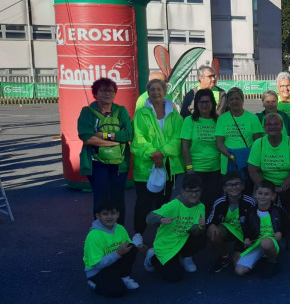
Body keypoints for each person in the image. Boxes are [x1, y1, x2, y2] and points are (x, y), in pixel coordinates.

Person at [131, 78, 184, 245]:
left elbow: (178, 138)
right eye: (152, 89)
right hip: (146, 165)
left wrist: (162, 153)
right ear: (148, 92)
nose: (156, 92)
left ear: (165, 91)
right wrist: (154, 154)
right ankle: (138, 233)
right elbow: (138, 139)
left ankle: (161, 235)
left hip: (167, 165)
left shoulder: (174, 113)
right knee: (143, 203)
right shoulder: (141, 113)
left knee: (163, 203)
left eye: (159, 89)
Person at [77, 77, 133, 224]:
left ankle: (119, 232)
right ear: (95, 93)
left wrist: (104, 135)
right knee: (100, 197)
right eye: (103, 90)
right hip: (96, 163)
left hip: (119, 164)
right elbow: (86, 137)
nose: (107, 94)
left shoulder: (121, 111)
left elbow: (128, 134)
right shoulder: (87, 112)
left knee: (118, 198)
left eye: (111, 91)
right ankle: (100, 232)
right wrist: (113, 143)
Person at [143, 174, 207, 282]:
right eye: (190, 191)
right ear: (183, 191)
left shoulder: (201, 206)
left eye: (197, 191)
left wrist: (200, 227)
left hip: (182, 240)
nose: (194, 194)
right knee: (173, 277)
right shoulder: (174, 204)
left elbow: (194, 231)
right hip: (167, 244)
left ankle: (186, 256)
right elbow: (149, 218)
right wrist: (161, 219)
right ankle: (152, 256)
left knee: (202, 238)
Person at [248, 113, 290, 234]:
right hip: (267, 183)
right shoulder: (259, 143)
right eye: (269, 124)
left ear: (282, 126)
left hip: (289, 183)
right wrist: (266, 189)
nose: (272, 127)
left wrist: (282, 188)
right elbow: (252, 170)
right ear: (264, 127)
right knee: (266, 212)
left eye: (276, 124)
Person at [83, 200, 140, 297]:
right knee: (118, 291)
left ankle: (124, 277)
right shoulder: (94, 236)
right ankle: (94, 284)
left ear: (118, 214)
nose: (109, 217)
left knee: (132, 248)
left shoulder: (120, 228)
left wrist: (138, 247)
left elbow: (128, 244)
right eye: (105, 214)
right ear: (98, 216)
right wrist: (117, 253)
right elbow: (96, 265)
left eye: (113, 213)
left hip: (112, 263)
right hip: (97, 271)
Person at [181, 88, 222, 215]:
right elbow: (185, 147)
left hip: (215, 170)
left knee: (212, 203)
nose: (204, 105)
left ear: (213, 104)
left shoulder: (219, 120)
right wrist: (189, 168)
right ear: (197, 104)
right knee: (194, 203)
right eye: (201, 102)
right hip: (195, 170)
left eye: (207, 102)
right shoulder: (189, 121)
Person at [215, 87, 263, 194]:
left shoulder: (252, 118)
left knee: (247, 193)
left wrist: (248, 157)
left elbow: (258, 143)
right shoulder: (222, 119)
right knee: (230, 194)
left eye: (237, 98)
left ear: (243, 100)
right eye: (231, 99)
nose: (234, 101)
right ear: (227, 102)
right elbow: (219, 143)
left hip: (248, 162)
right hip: (228, 162)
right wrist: (231, 156)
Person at [206, 171, 254, 273]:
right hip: (228, 230)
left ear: (243, 186)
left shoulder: (250, 202)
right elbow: (210, 220)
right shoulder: (219, 202)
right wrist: (211, 226)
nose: (234, 187)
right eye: (230, 185)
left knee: (239, 269)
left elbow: (254, 227)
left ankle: (239, 251)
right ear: (224, 188)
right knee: (213, 232)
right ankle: (224, 257)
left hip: (245, 236)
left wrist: (240, 247)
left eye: (237, 184)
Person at [235, 180, 285, 278]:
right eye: (260, 193)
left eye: (267, 194)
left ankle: (273, 262)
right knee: (239, 271)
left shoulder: (278, 211)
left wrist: (281, 233)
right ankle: (261, 256)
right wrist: (247, 239)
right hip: (257, 243)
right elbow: (247, 229)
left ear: (273, 196)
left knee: (265, 243)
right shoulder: (251, 212)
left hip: (272, 242)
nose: (263, 196)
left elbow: (286, 227)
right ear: (255, 195)